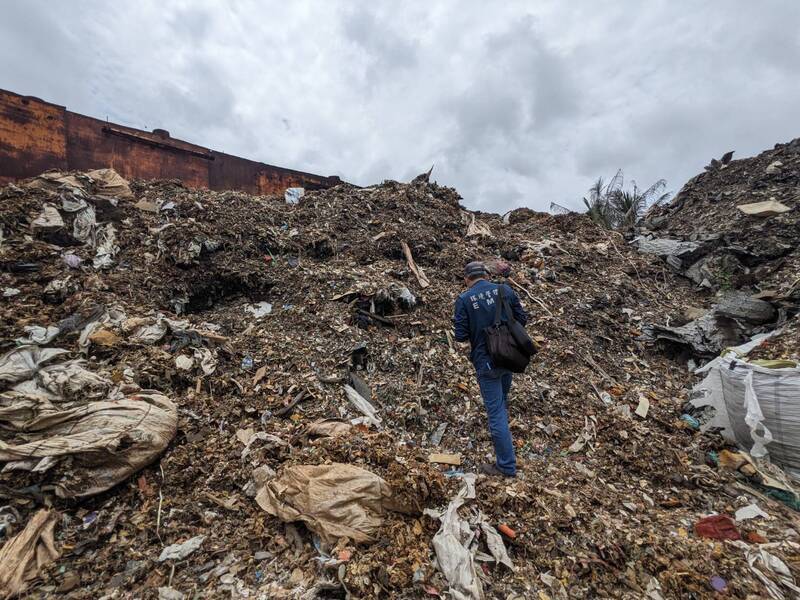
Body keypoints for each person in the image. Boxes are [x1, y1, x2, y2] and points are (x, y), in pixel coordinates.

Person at [453, 261, 528, 477]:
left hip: (486, 361)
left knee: (496, 412)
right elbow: (522, 319)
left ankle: (506, 466)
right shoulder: (504, 290)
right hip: (510, 355)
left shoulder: (464, 299)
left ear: (467, 279)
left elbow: (460, 336)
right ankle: (506, 447)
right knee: (501, 402)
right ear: (486, 275)